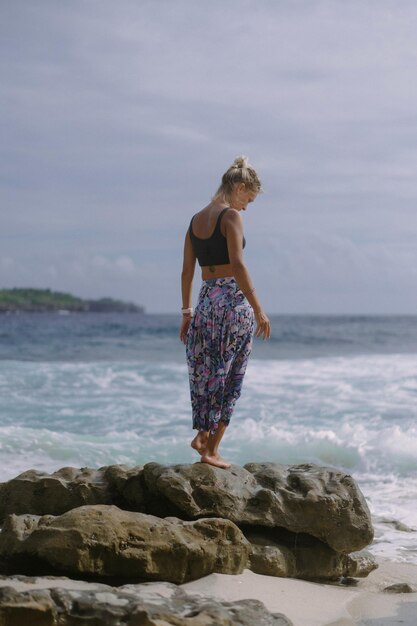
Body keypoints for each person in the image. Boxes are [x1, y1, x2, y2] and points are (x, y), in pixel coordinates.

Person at [180, 155, 271, 469]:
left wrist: (187, 313)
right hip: (232, 304)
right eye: (249, 198)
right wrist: (259, 310)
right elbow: (238, 265)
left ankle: (202, 436)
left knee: (207, 374)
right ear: (239, 187)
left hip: (205, 303)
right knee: (231, 378)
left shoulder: (194, 221)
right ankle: (211, 451)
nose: (246, 206)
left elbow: (186, 273)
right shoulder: (231, 216)